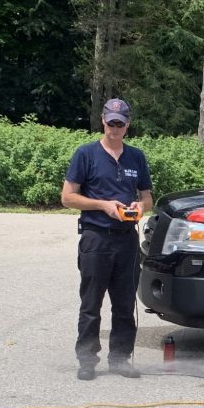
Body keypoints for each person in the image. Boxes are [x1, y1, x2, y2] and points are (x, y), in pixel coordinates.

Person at [61, 98, 153, 381]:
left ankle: (120, 358)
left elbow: (147, 198)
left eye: (120, 123)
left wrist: (139, 208)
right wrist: (103, 205)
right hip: (95, 238)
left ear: (127, 125)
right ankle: (87, 359)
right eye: (110, 122)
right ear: (102, 120)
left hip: (126, 239)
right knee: (91, 303)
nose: (114, 128)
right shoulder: (86, 154)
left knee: (125, 303)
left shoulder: (136, 157)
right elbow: (67, 197)